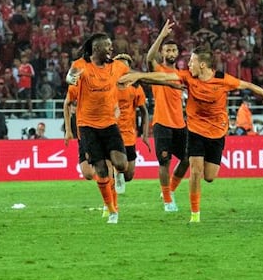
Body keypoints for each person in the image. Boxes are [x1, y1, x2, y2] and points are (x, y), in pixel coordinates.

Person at [121, 49, 263, 224]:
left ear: (202, 65)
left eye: (191, 62)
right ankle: (195, 215)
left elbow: (249, 86)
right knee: (195, 170)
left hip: (217, 132)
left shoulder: (223, 79)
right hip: (195, 131)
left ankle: (180, 196)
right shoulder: (188, 77)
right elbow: (163, 77)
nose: (188, 65)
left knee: (209, 176)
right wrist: (137, 75)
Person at [65, 33, 130, 224]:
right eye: (108, 46)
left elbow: (131, 75)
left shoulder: (116, 66)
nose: (111, 49)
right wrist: (72, 77)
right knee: (100, 170)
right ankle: (111, 210)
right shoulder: (81, 65)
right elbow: (70, 79)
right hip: (87, 126)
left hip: (109, 123)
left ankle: (118, 177)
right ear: (96, 49)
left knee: (121, 165)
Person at [145, 20, 189, 212]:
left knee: (187, 159)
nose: (170, 53)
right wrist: (161, 36)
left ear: (177, 54)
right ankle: (168, 201)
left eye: (173, 50)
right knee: (165, 162)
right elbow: (148, 58)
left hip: (180, 123)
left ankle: (168, 191)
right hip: (162, 123)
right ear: (162, 53)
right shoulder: (158, 70)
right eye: (167, 50)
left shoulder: (181, 74)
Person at [113, 54, 150, 194]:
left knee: (128, 175)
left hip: (129, 134)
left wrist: (145, 135)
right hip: (112, 131)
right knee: (116, 163)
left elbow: (144, 112)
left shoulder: (135, 87)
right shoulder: (108, 85)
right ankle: (114, 175)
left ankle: (118, 174)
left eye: (125, 66)